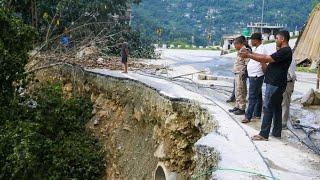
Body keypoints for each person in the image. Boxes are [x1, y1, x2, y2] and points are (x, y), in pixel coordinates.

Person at [239, 30, 292, 141]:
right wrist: (251, 53)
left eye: (277, 38)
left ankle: (264, 134)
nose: (276, 40)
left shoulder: (285, 51)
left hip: (275, 83)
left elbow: (266, 59)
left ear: (282, 39)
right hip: (276, 82)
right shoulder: (283, 51)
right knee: (277, 108)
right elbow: (265, 56)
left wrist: (249, 55)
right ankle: (276, 132)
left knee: (268, 107)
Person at [242, 33, 268, 123]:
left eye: (252, 40)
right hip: (253, 74)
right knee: (258, 95)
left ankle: (248, 116)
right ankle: (257, 114)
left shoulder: (261, 49)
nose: (251, 41)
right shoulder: (255, 48)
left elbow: (262, 61)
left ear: (256, 40)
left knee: (252, 96)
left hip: (257, 75)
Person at [226, 36, 251, 103]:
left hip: (241, 73)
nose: (234, 47)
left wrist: (245, 73)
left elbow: (247, 63)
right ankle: (238, 105)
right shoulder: (240, 51)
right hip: (237, 73)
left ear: (239, 44)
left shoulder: (245, 51)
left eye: (235, 45)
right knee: (237, 91)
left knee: (241, 91)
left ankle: (241, 107)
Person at [282, 58, 297, 129]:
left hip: (287, 82)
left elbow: (292, 74)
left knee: (285, 102)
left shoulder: (290, 59)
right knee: (283, 102)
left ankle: (283, 123)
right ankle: (282, 121)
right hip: (285, 82)